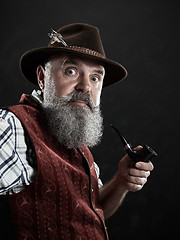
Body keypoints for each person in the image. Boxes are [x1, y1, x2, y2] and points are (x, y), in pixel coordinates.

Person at [0, 23, 154, 240]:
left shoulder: (72, 137)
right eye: (71, 71)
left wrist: (121, 181)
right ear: (43, 78)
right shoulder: (12, 127)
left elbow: (88, 211)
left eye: (95, 77)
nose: (85, 87)